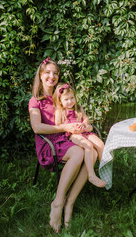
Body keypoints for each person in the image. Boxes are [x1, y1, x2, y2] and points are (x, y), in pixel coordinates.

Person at [28, 57, 103, 233]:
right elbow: (36, 127)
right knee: (79, 153)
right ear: (40, 75)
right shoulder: (36, 100)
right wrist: (64, 127)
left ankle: (70, 202)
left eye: (55, 73)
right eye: (47, 72)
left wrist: (81, 125)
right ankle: (58, 202)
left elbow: (75, 115)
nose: (51, 76)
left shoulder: (61, 95)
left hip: (67, 138)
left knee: (89, 152)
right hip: (50, 144)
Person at [53, 83, 106, 188]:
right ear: (60, 101)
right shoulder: (60, 111)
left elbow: (86, 119)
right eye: (66, 99)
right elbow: (58, 125)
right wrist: (70, 126)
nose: (70, 101)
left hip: (84, 131)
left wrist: (84, 124)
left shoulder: (78, 109)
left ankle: (104, 171)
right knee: (88, 145)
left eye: (72, 98)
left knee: (100, 144)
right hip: (72, 134)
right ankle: (91, 174)